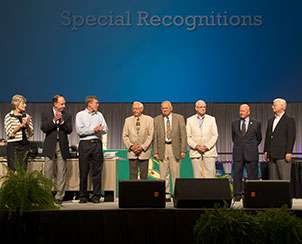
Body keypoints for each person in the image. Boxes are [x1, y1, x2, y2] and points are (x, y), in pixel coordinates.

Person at [75, 96, 109, 203]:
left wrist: (101, 129)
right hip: (85, 144)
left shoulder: (100, 115)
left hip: (97, 144)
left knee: (97, 172)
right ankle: (83, 196)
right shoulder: (80, 115)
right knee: (83, 171)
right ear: (89, 104)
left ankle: (96, 196)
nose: (98, 105)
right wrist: (94, 129)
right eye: (96, 103)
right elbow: (80, 131)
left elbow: (106, 129)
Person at [41, 95, 72, 202]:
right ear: (55, 104)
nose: (64, 106)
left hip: (62, 145)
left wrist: (62, 122)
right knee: (47, 171)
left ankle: (59, 196)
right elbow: (44, 128)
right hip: (50, 145)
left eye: (64, 103)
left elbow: (69, 130)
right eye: (62, 104)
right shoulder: (46, 113)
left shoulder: (67, 115)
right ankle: (45, 195)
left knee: (61, 172)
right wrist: (54, 121)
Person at [153, 101, 187, 202]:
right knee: (163, 174)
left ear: (171, 108)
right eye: (163, 108)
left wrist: (183, 150)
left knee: (175, 174)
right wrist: (155, 151)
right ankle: (166, 195)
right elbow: (155, 137)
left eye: (166, 108)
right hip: (162, 148)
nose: (164, 110)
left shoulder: (179, 118)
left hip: (175, 148)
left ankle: (176, 194)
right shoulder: (156, 120)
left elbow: (183, 136)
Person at [231, 104, 262, 201]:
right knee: (237, 175)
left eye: (243, 111)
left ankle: (252, 194)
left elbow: (259, 138)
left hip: (251, 153)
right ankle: (237, 195)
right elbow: (234, 138)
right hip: (238, 153)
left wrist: (251, 147)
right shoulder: (234, 123)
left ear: (248, 112)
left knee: (253, 176)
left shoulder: (256, 123)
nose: (241, 112)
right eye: (240, 110)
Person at [264, 98, 296, 180]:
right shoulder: (271, 121)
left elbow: (291, 137)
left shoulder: (289, 120)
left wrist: (289, 151)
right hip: (272, 154)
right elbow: (268, 137)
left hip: (283, 155)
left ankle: (285, 193)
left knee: (284, 179)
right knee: (273, 180)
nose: (272, 107)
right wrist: (266, 151)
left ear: (282, 106)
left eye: (274, 105)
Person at [186, 100, 218, 179]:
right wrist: (196, 146)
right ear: (196, 108)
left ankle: (210, 191)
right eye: (201, 107)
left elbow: (215, 135)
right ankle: (198, 191)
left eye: (204, 107)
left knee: (210, 176)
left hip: (209, 151)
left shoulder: (211, 119)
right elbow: (188, 137)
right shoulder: (189, 120)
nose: (203, 109)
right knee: (197, 177)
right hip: (195, 151)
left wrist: (207, 146)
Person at [122, 102, 154, 180]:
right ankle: (132, 192)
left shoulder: (149, 119)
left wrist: (142, 147)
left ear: (142, 109)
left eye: (136, 109)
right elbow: (124, 135)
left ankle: (143, 192)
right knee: (132, 176)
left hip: (144, 152)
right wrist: (131, 147)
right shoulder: (128, 120)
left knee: (144, 176)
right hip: (132, 152)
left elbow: (150, 136)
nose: (134, 110)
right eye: (133, 109)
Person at [4, 94, 33, 171]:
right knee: (12, 170)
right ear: (16, 104)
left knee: (23, 170)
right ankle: (8, 183)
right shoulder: (9, 116)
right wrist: (21, 125)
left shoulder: (26, 116)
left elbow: (30, 134)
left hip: (24, 145)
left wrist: (27, 125)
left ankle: (21, 183)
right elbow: (9, 133)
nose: (25, 105)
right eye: (23, 103)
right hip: (13, 146)